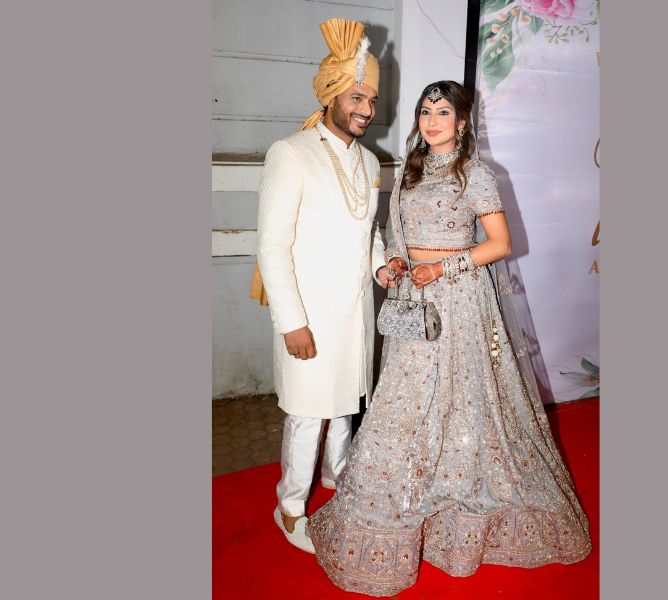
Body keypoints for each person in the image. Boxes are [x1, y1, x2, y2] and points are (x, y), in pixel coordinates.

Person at [307, 81, 592, 595]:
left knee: (462, 401)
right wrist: (396, 262)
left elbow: (500, 243)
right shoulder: (410, 171)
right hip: (414, 299)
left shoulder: (475, 173)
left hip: (459, 300)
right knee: (403, 402)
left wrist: (444, 268)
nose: (432, 120)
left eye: (443, 112)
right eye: (425, 111)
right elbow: (397, 234)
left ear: (462, 121)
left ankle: (460, 499)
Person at [255, 18, 391, 553]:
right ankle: (289, 507)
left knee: (346, 404)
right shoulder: (290, 153)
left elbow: (368, 229)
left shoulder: (368, 160)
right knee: (308, 414)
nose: (366, 109)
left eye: (372, 100)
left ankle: (338, 477)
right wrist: (291, 322)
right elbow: (272, 246)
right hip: (308, 317)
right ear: (331, 95)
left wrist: (381, 266)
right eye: (357, 97)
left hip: (354, 316)